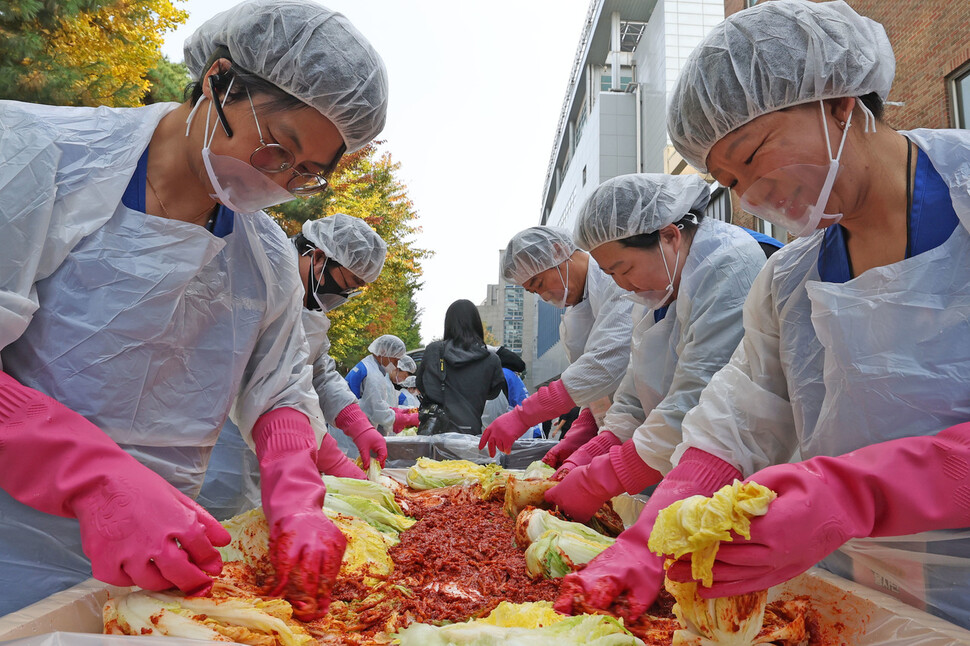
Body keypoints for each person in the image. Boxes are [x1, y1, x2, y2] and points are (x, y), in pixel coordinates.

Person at [558, 0, 970, 629]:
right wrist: (647, 539)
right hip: (864, 593)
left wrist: (858, 492)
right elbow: (739, 417)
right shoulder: (790, 280)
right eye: (729, 181)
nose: (752, 196)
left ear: (838, 100)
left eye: (751, 156)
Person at [0, 0, 388, 618]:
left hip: (158, 566)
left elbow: (281, 389)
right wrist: (91, 476)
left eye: (306, 173)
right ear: (219, 79)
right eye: (276, 148)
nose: (279, 179)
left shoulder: (262, 254)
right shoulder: (38, 155)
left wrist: (295, 498)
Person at [544, 173, 777, 523]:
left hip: (749, 474)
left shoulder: (728, 264)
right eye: (610, 275)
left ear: (669, 235)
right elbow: (636, 392)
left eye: (625, 268)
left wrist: (604, 477)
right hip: (685, 473)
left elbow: (696, 398)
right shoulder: (655, 293)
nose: (623, 285)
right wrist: (596, 447)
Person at [479, 227, 634, 459]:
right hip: (626, 433)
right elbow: (595, 390)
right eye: (534, 291)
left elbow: (607, 364)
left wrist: (524, 415)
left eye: (539, 283)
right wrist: (580, 434)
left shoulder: (614, 280)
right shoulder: (575, 318)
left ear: (558, 251)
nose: (543, 296)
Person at [416, 300, 506, 435]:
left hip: (434, 433)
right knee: (467, 457)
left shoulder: (433, 350)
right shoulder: (491, 359)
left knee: (429, 458)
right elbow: (493, 393)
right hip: (470, 433)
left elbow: (421, 385)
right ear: (476, 323)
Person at [346, 334, 418, 435]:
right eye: (396, 360)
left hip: (352, 427)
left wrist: (401, 412)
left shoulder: (369, 365)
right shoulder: (373, 375)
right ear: (384, 352)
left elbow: (376, 405)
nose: (396, 365)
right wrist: (408, 418)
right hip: (351, 433)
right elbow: (378, 413)